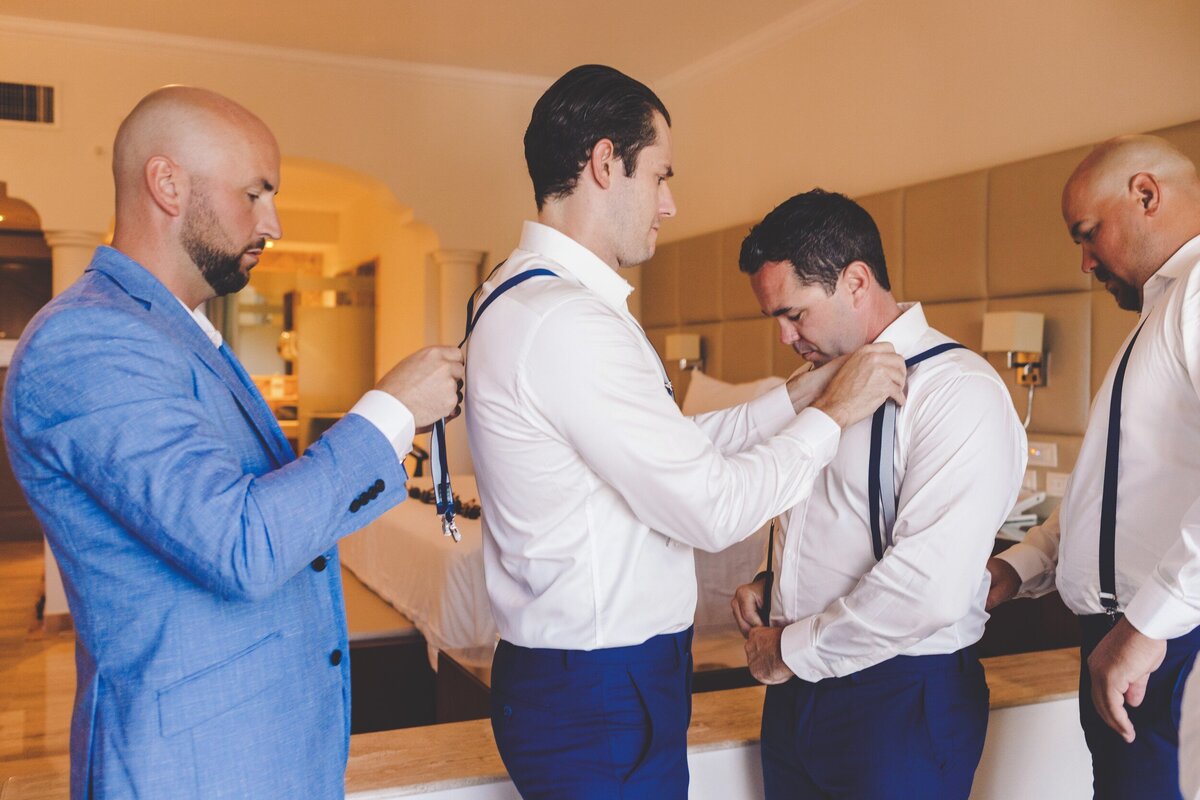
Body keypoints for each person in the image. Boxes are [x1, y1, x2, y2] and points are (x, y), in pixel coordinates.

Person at [1, 86, 463, 799]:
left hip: (262, 754)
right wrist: (390, 408)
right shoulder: (89, 340)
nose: (273, 222)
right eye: (255, 194)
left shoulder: (174, 333)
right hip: (194, 770)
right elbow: (241, 543)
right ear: (167, 183)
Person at [463, 65, 907, 800]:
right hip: (600, 689)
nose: (669, 204)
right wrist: (834, 418)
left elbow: (672, 442)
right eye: (661, 175)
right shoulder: (568, 321)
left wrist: (795, 397)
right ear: (606, 163)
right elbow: (712, 509)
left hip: (580, 679)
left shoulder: (523, 296)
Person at [729, 189, 1027, 799]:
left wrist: (786, 650)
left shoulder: (957, 392)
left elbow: (928, 589)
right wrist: (775, 585)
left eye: (795, 314)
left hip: (901, 698)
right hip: (796, 697)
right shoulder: (809, 383)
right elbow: (828, 517)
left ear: (856, 280)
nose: (785, 338)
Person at [987, 134, 1200, 798]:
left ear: (1145, 194)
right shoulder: (1162, 311)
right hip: (1130, 641)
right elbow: (1108, 497)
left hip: (1161, 645)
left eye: (1088, 233)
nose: (1084, 262)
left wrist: (1142, 630)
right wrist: (1015, 567)